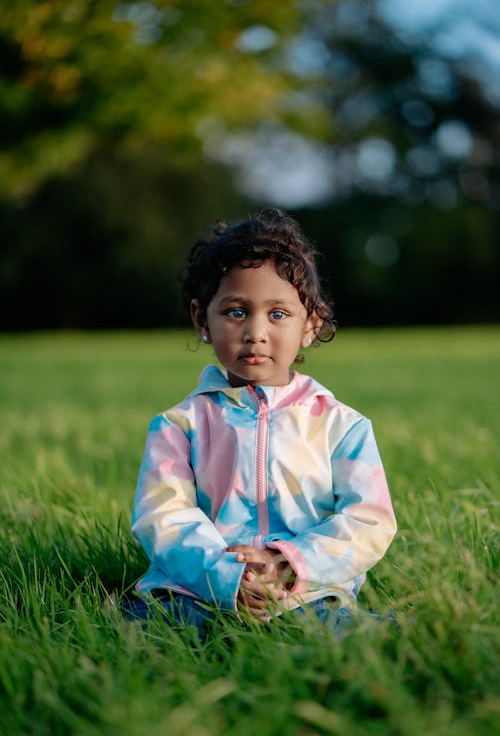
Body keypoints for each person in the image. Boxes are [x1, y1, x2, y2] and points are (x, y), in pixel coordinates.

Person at [124, 209, 397, 631]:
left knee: (341, 635)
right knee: (151, 628)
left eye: (278, 314)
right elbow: (163, 516)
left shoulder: (343, 426)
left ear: (311, 324)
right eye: (236, 312)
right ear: (202, 319)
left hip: (305, 592)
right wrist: (226, 576)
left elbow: (368, 521)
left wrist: (287, 565)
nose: (255, 331)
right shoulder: (179, 426)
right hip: (199, 590)